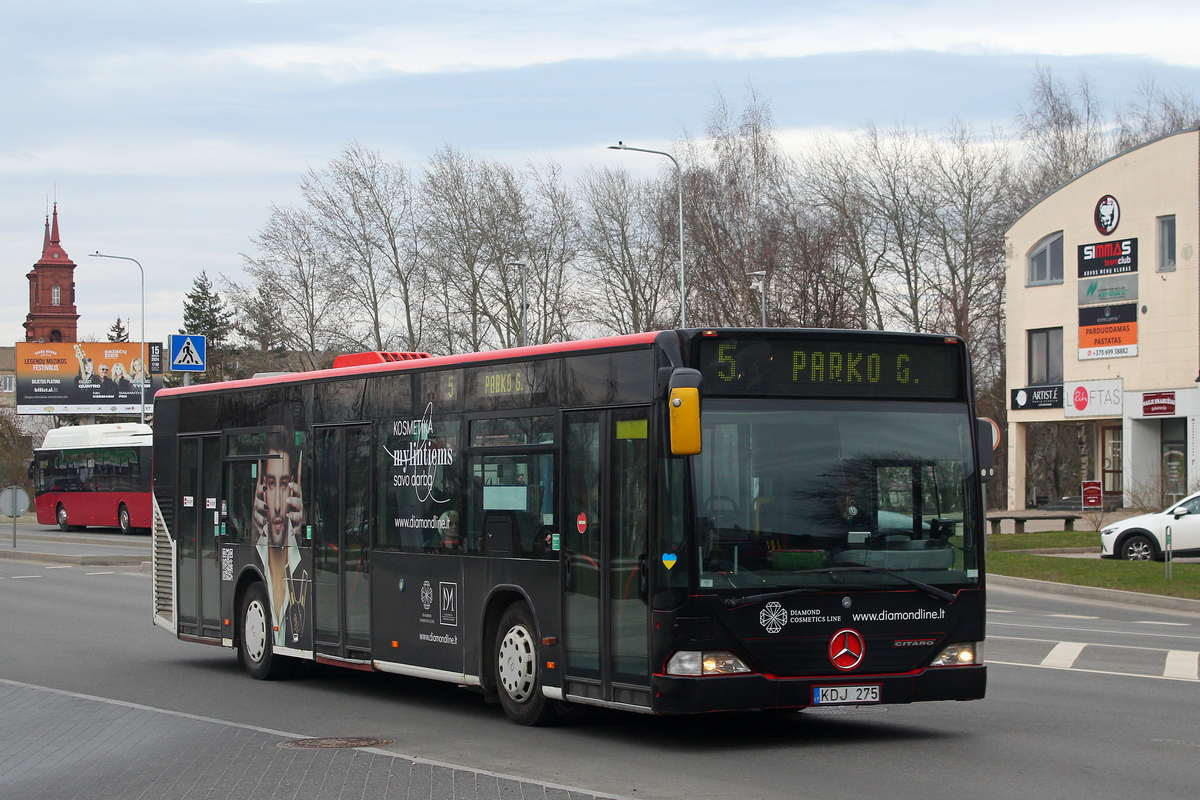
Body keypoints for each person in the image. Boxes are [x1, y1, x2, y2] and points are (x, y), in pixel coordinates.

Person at [252, 431, 308, 647]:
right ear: (261, 490)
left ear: (294, 487)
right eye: (270, 485)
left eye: (283, 485)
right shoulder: (253, 555)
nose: (276, 505)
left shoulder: (305, 562)